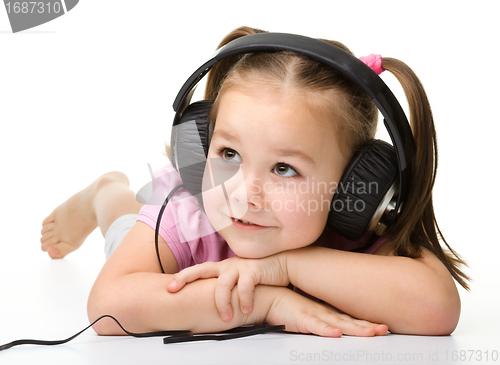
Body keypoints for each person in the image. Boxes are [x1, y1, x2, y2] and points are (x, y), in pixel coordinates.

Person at [40, 26, 470, 338]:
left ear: (353, 187)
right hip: (165, 233)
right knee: (123, 223)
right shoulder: (191, 212)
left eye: (284, 168)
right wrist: (267, 302)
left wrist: (282, 267)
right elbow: (107, 306)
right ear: (201, 149)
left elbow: (437, 310)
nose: (243, 193)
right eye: (228, 154)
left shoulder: (355, 225)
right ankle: (105, 191)